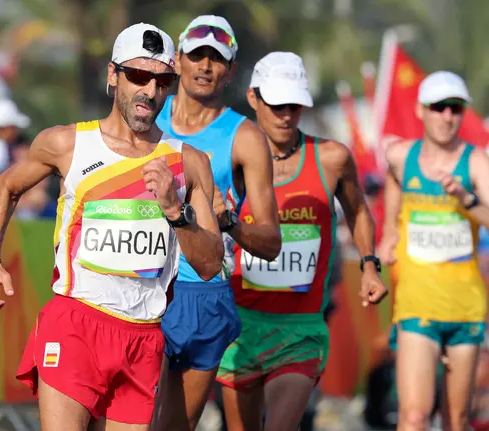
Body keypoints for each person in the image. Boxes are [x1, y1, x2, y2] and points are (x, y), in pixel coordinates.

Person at [0, 23, 223, 431]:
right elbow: (6, 185)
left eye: (162, 81)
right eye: (138, 76)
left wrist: (176, 213)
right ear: (113, 75)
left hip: (143, 336)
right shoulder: (67, 143)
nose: (150, 90)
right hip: (76, 324)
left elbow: (211, 263)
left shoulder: (190, 162)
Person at [215, 52, 387, 431]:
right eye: (276, 104)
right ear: (254, 98)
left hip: (301, 327)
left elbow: (359, 211)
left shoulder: (331, 158)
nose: (286, 115)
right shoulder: (229, 158)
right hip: (238, 325)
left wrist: (370, 266)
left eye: (294, 105)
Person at [151, 15, 281, 430]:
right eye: (196, 55)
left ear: (231, 71)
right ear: (178, 60)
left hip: (201, 292)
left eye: (217, 59)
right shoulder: (145, 114)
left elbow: (271, 240)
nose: (205, 66)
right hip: (142, 284)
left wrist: (230, 224)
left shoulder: (244, 137)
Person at [379, 70, 489, 431]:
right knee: (413, 417)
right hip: (417, 304)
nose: (447, 117)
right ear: (421, 110)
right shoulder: (400, 155)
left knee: (455, 420)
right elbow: (394, 181)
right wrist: (389, 231)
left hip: (465, 307)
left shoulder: (476, 164)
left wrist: (467, 199)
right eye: (439, 107)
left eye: (455, 109)